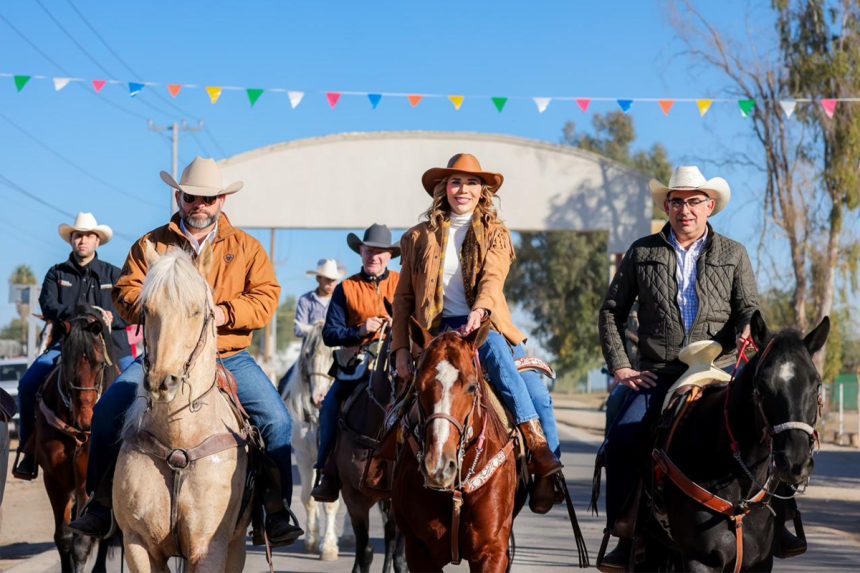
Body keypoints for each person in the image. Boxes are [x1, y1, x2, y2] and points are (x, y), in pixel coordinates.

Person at [69, 157, 303, 546]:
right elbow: (126, 291)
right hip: (162, 355)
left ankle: (273, 512)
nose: (200, 206)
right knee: (109, 410)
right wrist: (155, 298)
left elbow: (266, 298)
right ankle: (101, 504)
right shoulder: (151, 244)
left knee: (277, 421)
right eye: (192, 197)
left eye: (208, 199)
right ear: (179, 197)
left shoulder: (246, 248)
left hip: (227, 355)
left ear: (222, 201)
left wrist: (225, 311)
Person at [595, 165, 804, 571]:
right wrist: (621, 367)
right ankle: (625, 531)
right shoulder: (643, 252)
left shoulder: (733, 253)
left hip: (722, 369)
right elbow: (611, 313)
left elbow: (749, 307)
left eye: (693, 201)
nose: (685, 210)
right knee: (621, 437)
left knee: (770, 427)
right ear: (668, 206)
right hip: (660, 371)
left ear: (709, 206)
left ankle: (784, 523)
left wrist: (745, 328)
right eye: (677, 201)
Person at [391, 153, 562, 514]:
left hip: (482, 327)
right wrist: (401, 350)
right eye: (455, 182)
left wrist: (480, 311)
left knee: (533, 389)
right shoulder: (417, 237)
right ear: (443, 189)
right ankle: (379, 465)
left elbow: (493, 277)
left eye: (471, 182)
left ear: (482, 190)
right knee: (394, 396)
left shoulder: (496, 233)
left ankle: (541, 457)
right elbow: (403, 296)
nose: (462, 189)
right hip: (433, 330)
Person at [13, 212, 133, 480]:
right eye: (78, 235)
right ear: (71, 240)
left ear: (97, 241)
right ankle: (29, 449)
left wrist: (111, 318)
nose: (83, 240)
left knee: (136, 387)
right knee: (28, 385)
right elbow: (49, 305)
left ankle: (135, 451)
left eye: (88, 236)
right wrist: (85, 311)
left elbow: (130, 311)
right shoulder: (57, 274)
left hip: (111, 347)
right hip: (65, 346)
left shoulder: (114, 275)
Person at [310, 224, 400, 502]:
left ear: (388, 256)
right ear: (361, 252)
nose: (374, 256)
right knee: (331, 406)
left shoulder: (402, 283)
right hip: (356, 366)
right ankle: (327, 471)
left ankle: (429, 470)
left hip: (398, 362)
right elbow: (329, 334)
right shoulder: (345, 288)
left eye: (380, 252)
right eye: (368, 250)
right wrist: (360, 330)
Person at [294, 258, 343, 338]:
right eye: (327, 279)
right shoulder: (305, 300)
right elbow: (298, 330)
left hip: (335, 348)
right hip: (311, 349)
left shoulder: (341, 301)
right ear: (318, 278)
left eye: (333, 280)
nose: (331, 283)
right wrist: (315, 327)